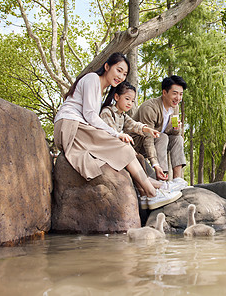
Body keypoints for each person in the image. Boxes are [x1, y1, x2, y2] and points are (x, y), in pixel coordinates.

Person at [53, 52, 181, 210]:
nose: (120, 76)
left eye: (124, 74)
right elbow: (90, 115)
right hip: (70, 125)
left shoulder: (101, 90)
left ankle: (154, 188)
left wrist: (144, 129)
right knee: (123, 146)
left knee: (124, 149)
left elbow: (131, 123)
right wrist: (116, 134)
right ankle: (151, 193)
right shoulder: (92, 78)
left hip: (78, 126)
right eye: (118, 70)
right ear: (107, 67)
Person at [99, 81, 183, 209]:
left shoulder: (122, 115)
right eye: (127, 99)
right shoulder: (107, 112)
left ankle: (155, 191)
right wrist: (155, 164)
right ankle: (156, 190)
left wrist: (146, 129)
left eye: (132, 101)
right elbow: (109, 133)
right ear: (116, 97)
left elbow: (134, 124)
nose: (130, 103)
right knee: (133, 158)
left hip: (122, 150)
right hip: (112, 150)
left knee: (138, 162)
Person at [131, 75, 188, 190]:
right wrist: (155, 165)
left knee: (178, 139)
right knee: (162, 137)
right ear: (164, 92)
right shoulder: (149, 108)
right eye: (175, 93)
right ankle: (162, 181)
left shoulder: (174, 107)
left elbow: (174, 134)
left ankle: (178, 181)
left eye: (181, 94)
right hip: (138, 144)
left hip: (158, 143)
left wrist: (177, 129)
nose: (178, 98)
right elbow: (148, 139)